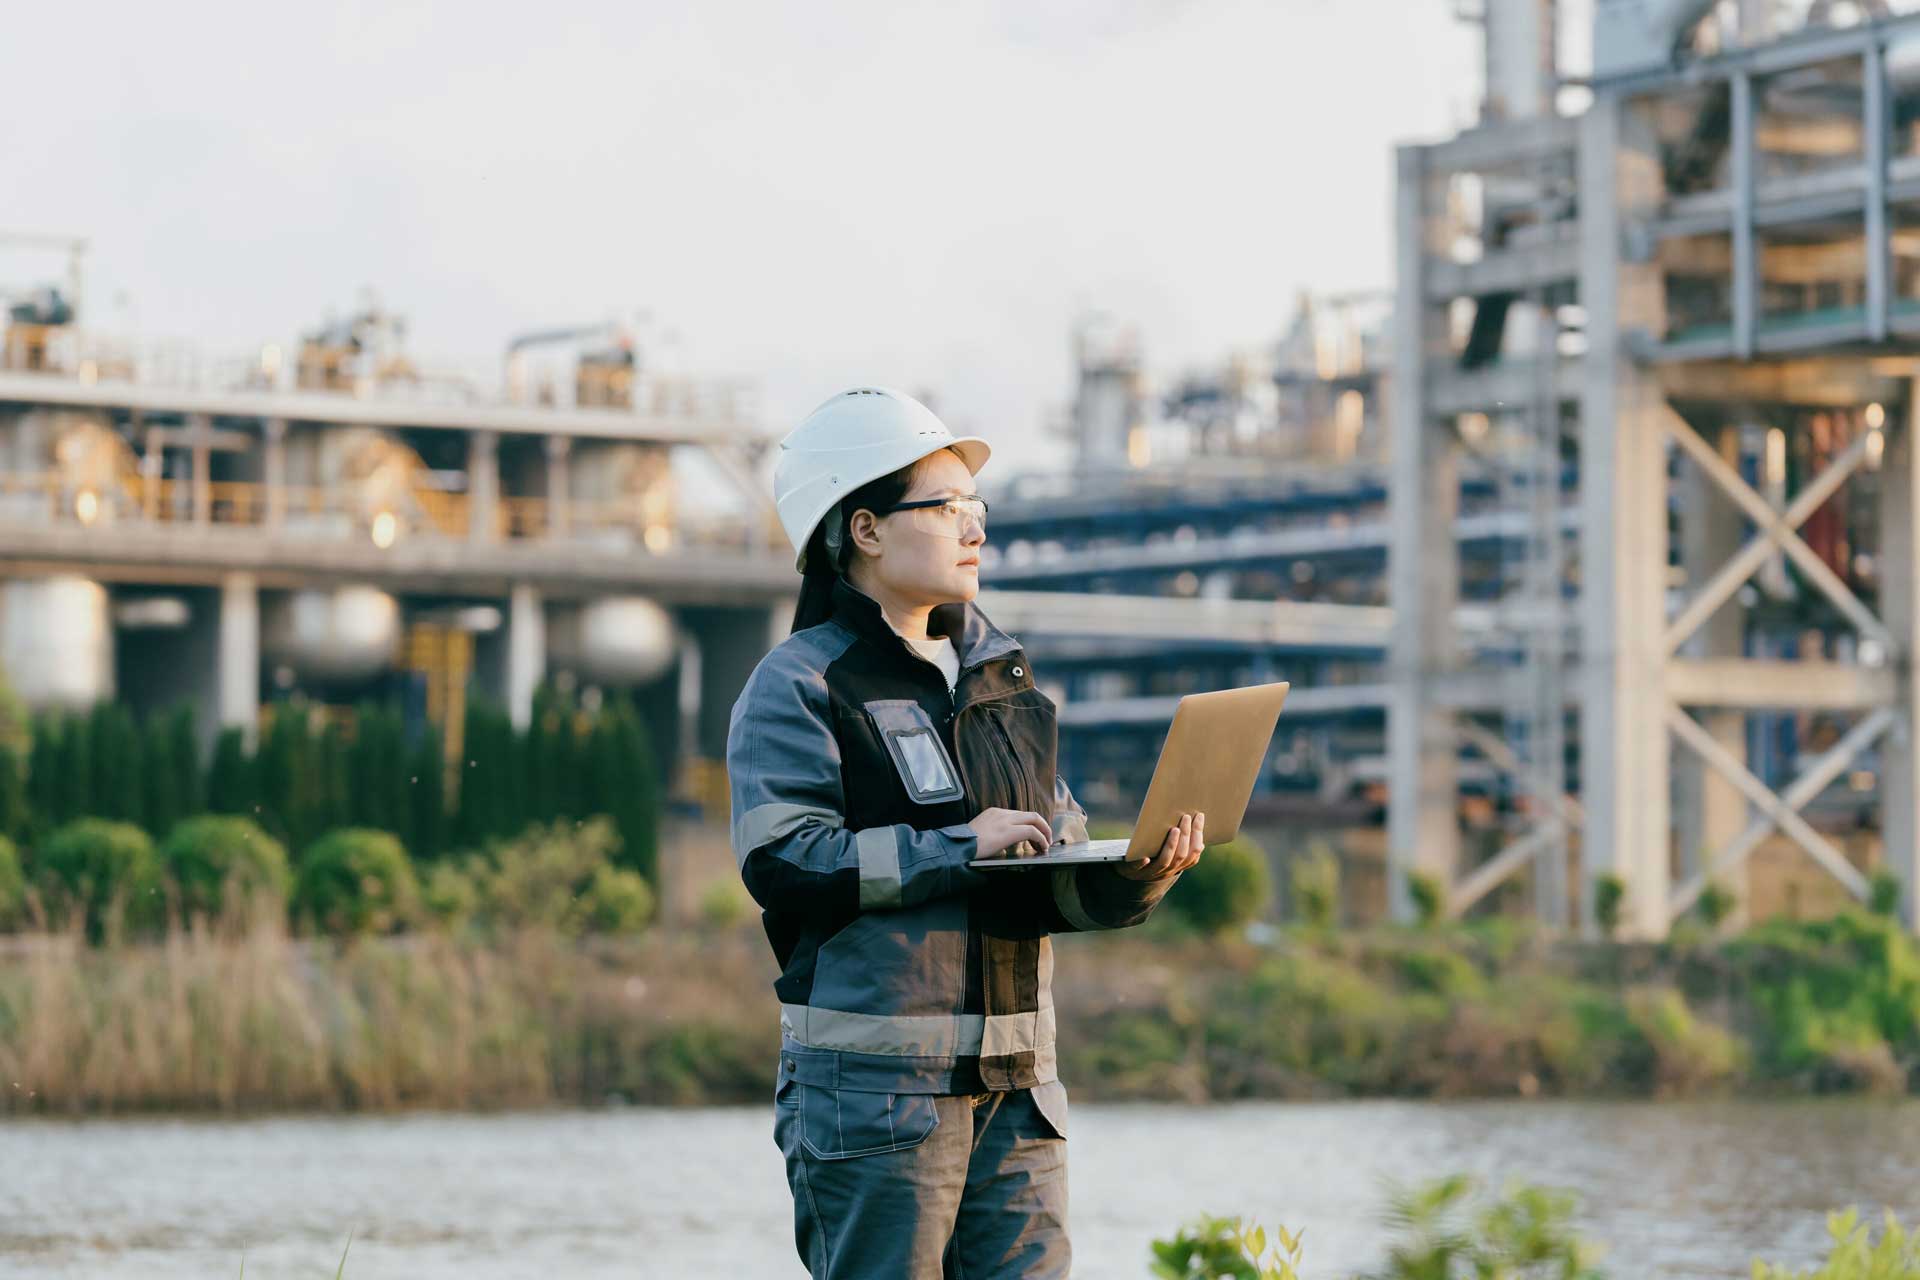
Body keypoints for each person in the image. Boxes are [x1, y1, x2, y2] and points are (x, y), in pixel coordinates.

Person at [727, 386, 1205, 1279]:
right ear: (864, 530)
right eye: (946, 507)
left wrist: (1142, 871)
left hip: (1022, 1097)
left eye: (976, 507)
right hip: (878, 1107)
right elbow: (784, 863)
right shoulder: (798, 686)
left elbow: (1045, 874)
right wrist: (957, 845)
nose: (974, 528)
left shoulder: (1001, 684)